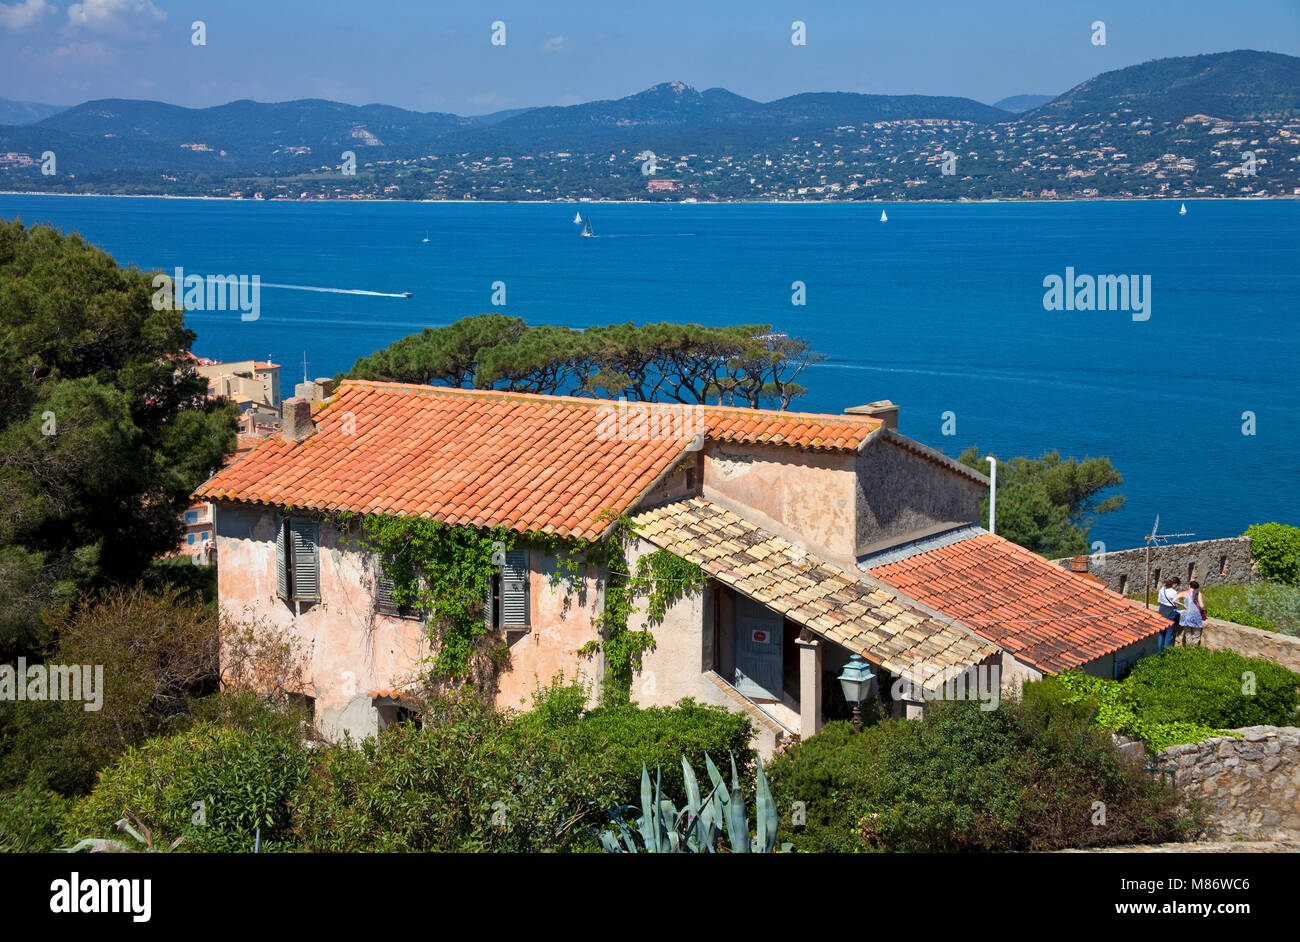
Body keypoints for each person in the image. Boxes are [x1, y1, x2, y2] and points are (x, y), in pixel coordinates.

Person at [1177, 580, 1206, 646]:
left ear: (1189, 586)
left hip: (1187, 615)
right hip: (1196, 616)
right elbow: (1202, 606)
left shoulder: (1184, 593)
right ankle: (1193, 649)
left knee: (1188, 634)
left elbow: (1174, 600)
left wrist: (1183, 605)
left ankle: (1188, 649)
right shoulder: (1198, 593)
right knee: (1196, 634)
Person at [1156, 577, 1181, 651]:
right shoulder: (1174, 592)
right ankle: (1168, 651)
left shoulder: (1162, 589)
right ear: (1175, 584)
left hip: (1162, 610)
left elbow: (1158, 601)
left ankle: (1160, 651)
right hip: (1170, 611)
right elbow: (1176, 605)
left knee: (1161, 632)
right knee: (1169, 632)